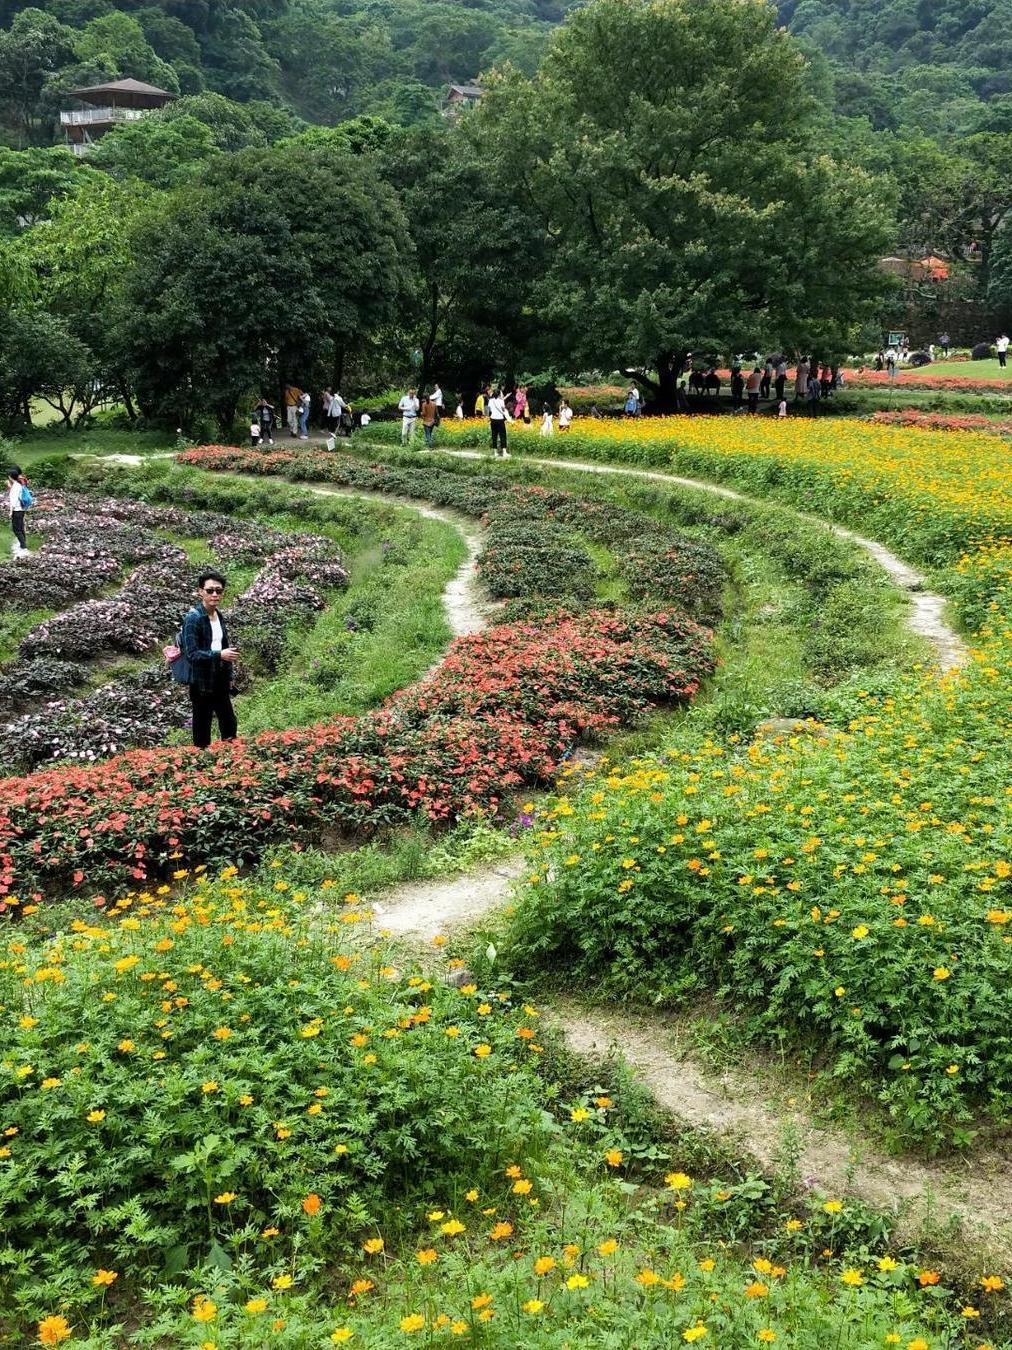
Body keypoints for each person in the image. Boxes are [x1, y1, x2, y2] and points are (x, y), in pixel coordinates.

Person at [181, 571, 239, 750]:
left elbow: (225, 645)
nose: (215, 594)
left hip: (220, 679)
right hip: (201, 682)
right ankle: (201, 766)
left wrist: (229, 676)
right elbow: (192, 654)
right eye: (210, 590)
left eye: (219, 591)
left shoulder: (218, 615)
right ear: (200, 592)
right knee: (202, 727)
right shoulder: (193, 618)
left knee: (229, 722)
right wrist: (218, 655)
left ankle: (231, 759)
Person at [7, 468, 29, 558]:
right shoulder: (19, 485)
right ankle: (23, 545)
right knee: (21, 528)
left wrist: (10, 512)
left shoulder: (15, 487)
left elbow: (13, 501)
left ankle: (23, 547)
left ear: (10, 477)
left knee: (16, 529)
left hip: (17, 510)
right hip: (22, 509)